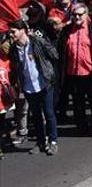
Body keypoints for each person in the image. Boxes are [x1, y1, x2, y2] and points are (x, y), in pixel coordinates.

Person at [8, 20, 59, 156]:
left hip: (44, 83)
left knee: (49, 113)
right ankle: (40, 142)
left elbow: (54, 54)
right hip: (28, 86)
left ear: (23, 30)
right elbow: (15, 66)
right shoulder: (14, 48)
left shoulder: (37, 42)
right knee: (35, 115)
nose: (11, 35)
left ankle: (53, 141)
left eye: (13, 32)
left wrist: (49, 71)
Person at [57, 4, 92, 136]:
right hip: (72, 73)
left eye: (80, 14)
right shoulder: (66, 30)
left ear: (86, 14)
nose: (77, 17)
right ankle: (82, 127)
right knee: (78, 103)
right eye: (74, 15)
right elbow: (61, 50)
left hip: (91, 73)